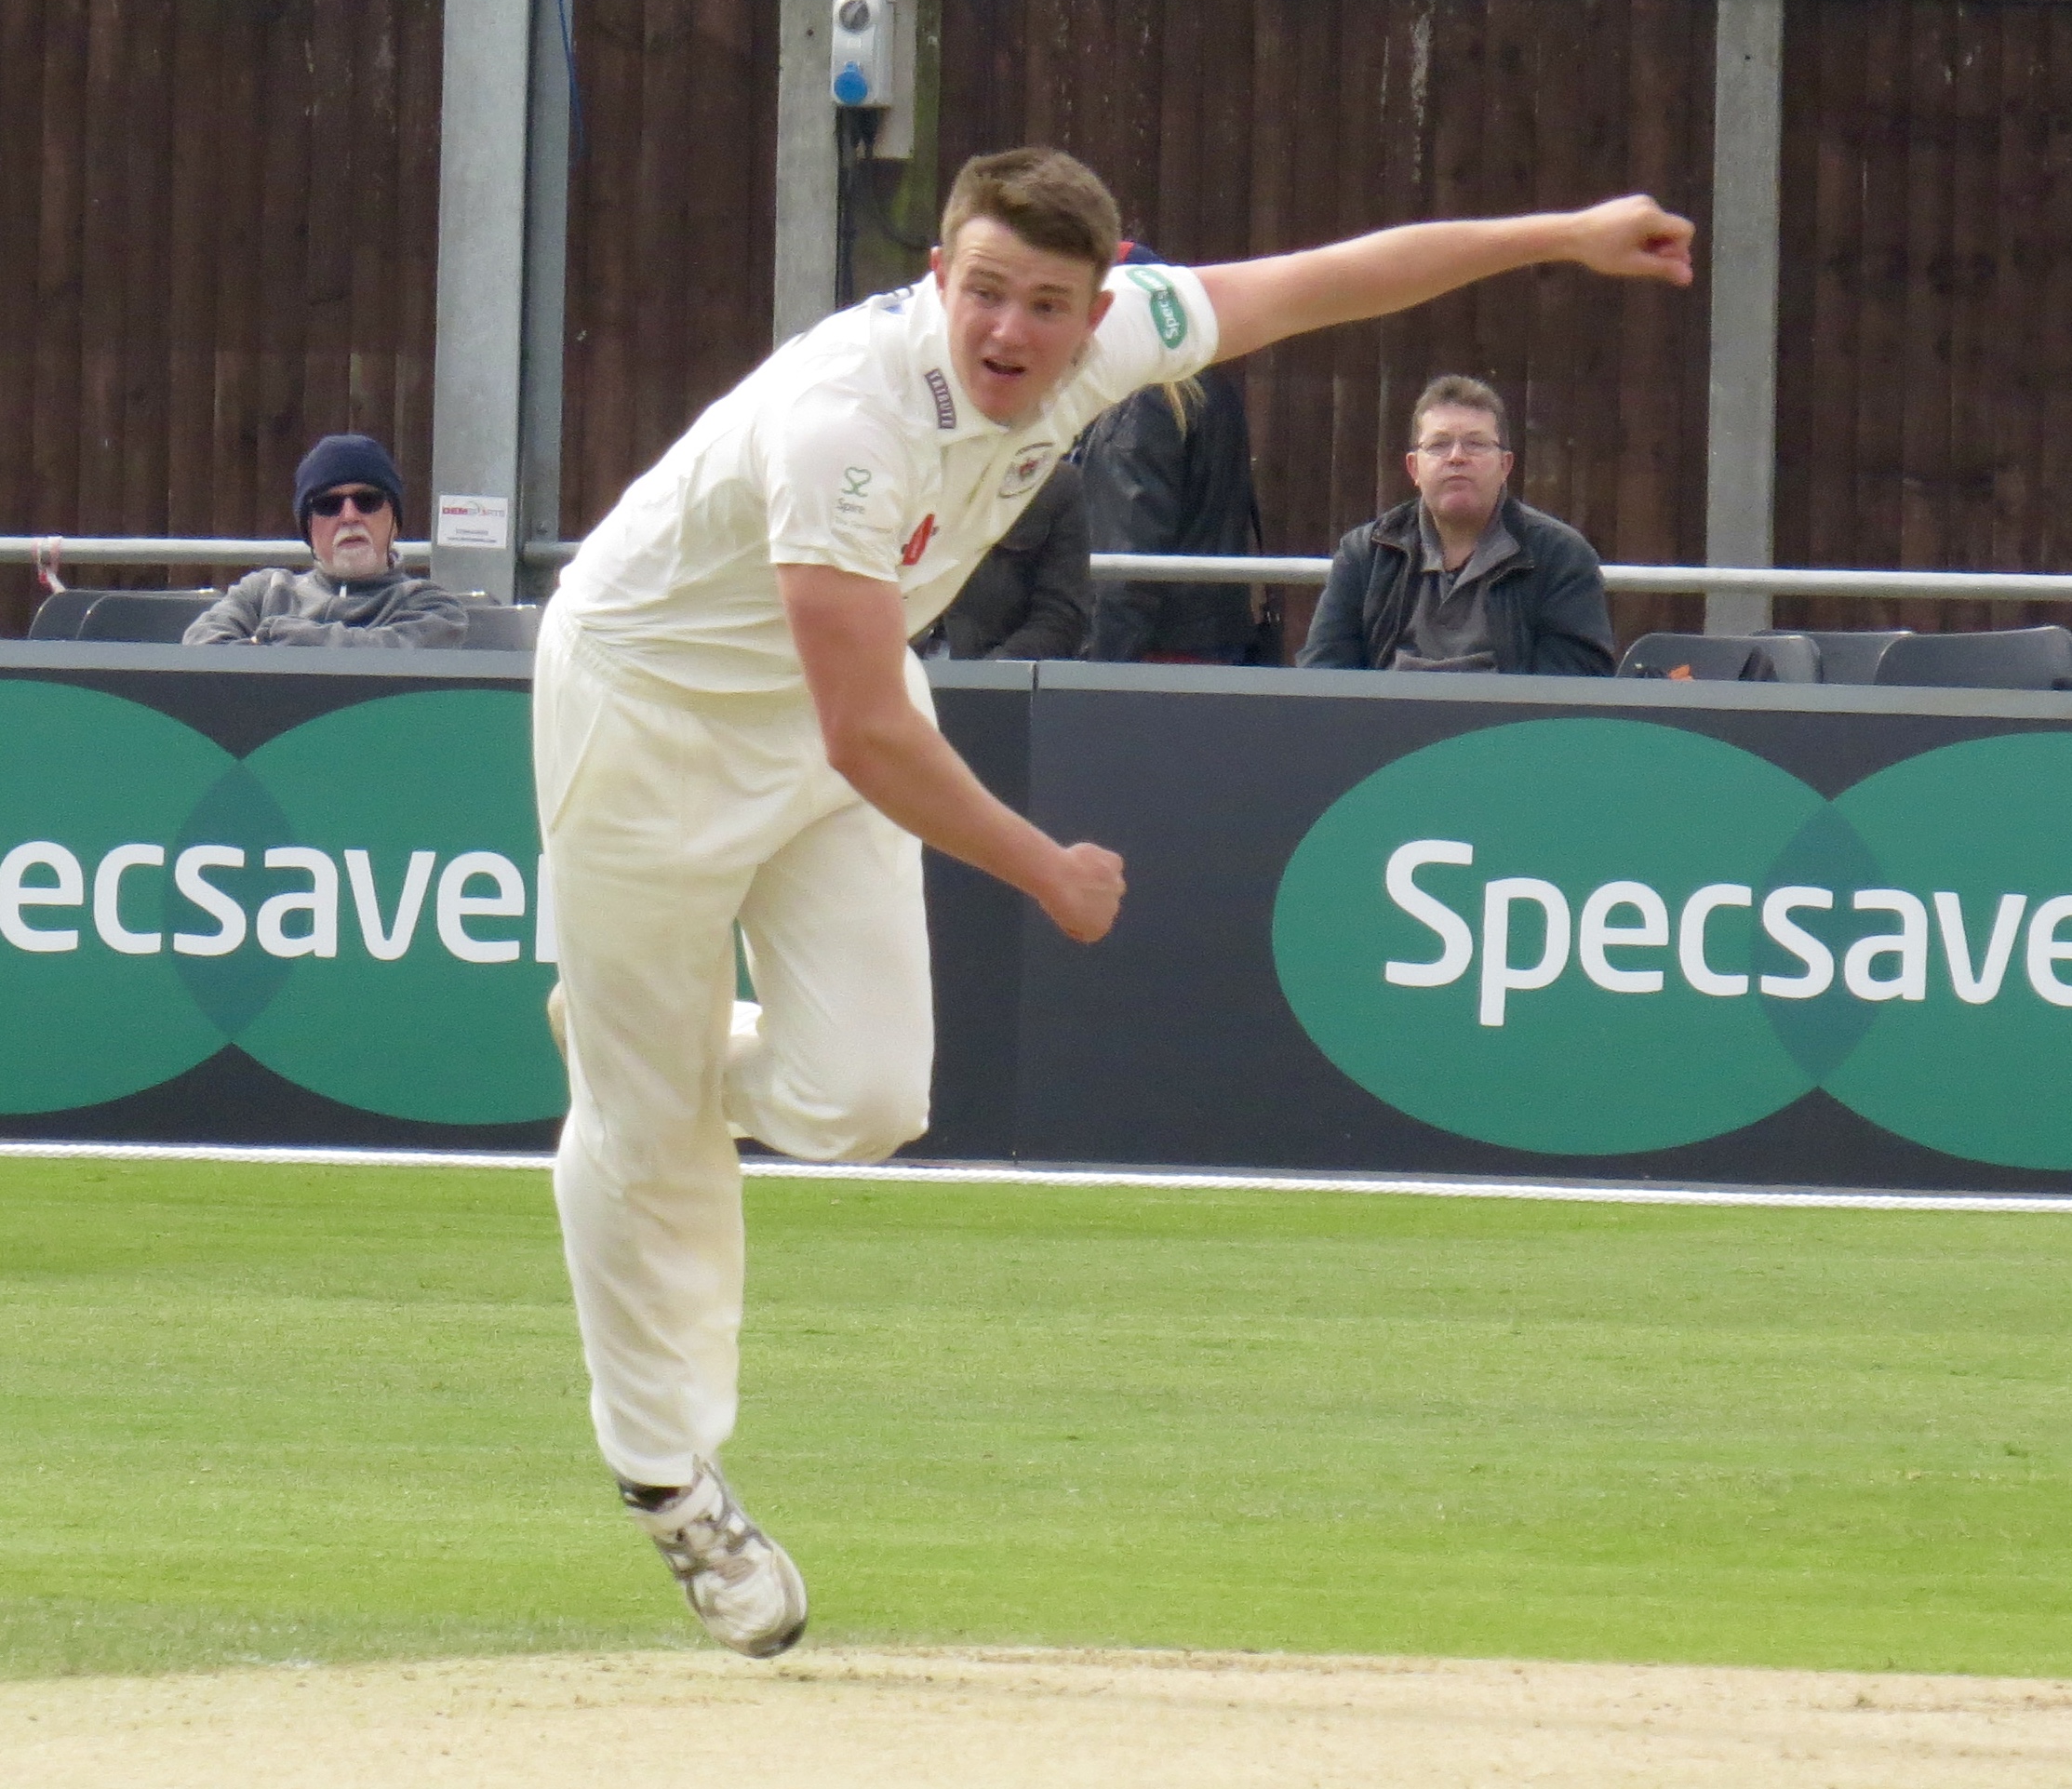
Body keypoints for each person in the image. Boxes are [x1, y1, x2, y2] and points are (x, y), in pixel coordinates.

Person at [536, 146, 1693, 1658]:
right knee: (641, 1135)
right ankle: (668, 1480)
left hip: (822, 713)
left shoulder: (1121, 335)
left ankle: (646, 1044)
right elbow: (864, 731)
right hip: (648, 713)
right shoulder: (842, 423)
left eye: (1047, 304)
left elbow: (1329, 280)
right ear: (939, 278)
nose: (1010, 330)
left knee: (863, 1104)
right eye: (985, 293)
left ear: (1098, 311)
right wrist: (1045, 866)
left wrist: (1563, 229)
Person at [1297, 374, 1614, 676]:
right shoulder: (1365, 554)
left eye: (1475, 443)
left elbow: (1569, 687)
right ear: (1413, 468)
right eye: (1439, 445)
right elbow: (1323, 674)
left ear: (1505, 466)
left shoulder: (1561, 556)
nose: (1456, 457)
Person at [1077, 250, 1269, 664]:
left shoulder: (1141, 402)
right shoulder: (1210, 388)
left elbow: (1126, 562)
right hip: (1212, 637)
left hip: (1155, 651)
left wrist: (1100, 673)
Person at [184, 434, 467, 650]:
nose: (349, 516)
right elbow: (201, 647)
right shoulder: (262, 592)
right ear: (307, 528)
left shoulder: (434, 607)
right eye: (328, 505)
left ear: (395, 521)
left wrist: (276, 637)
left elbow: (390, 660)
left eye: (367, 500)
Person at [916, 458, 1091, 660]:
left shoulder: (1053, 483)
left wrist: (995, 671)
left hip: (997, 666)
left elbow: (1061, 618)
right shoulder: (904, 468)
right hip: (901, 661)